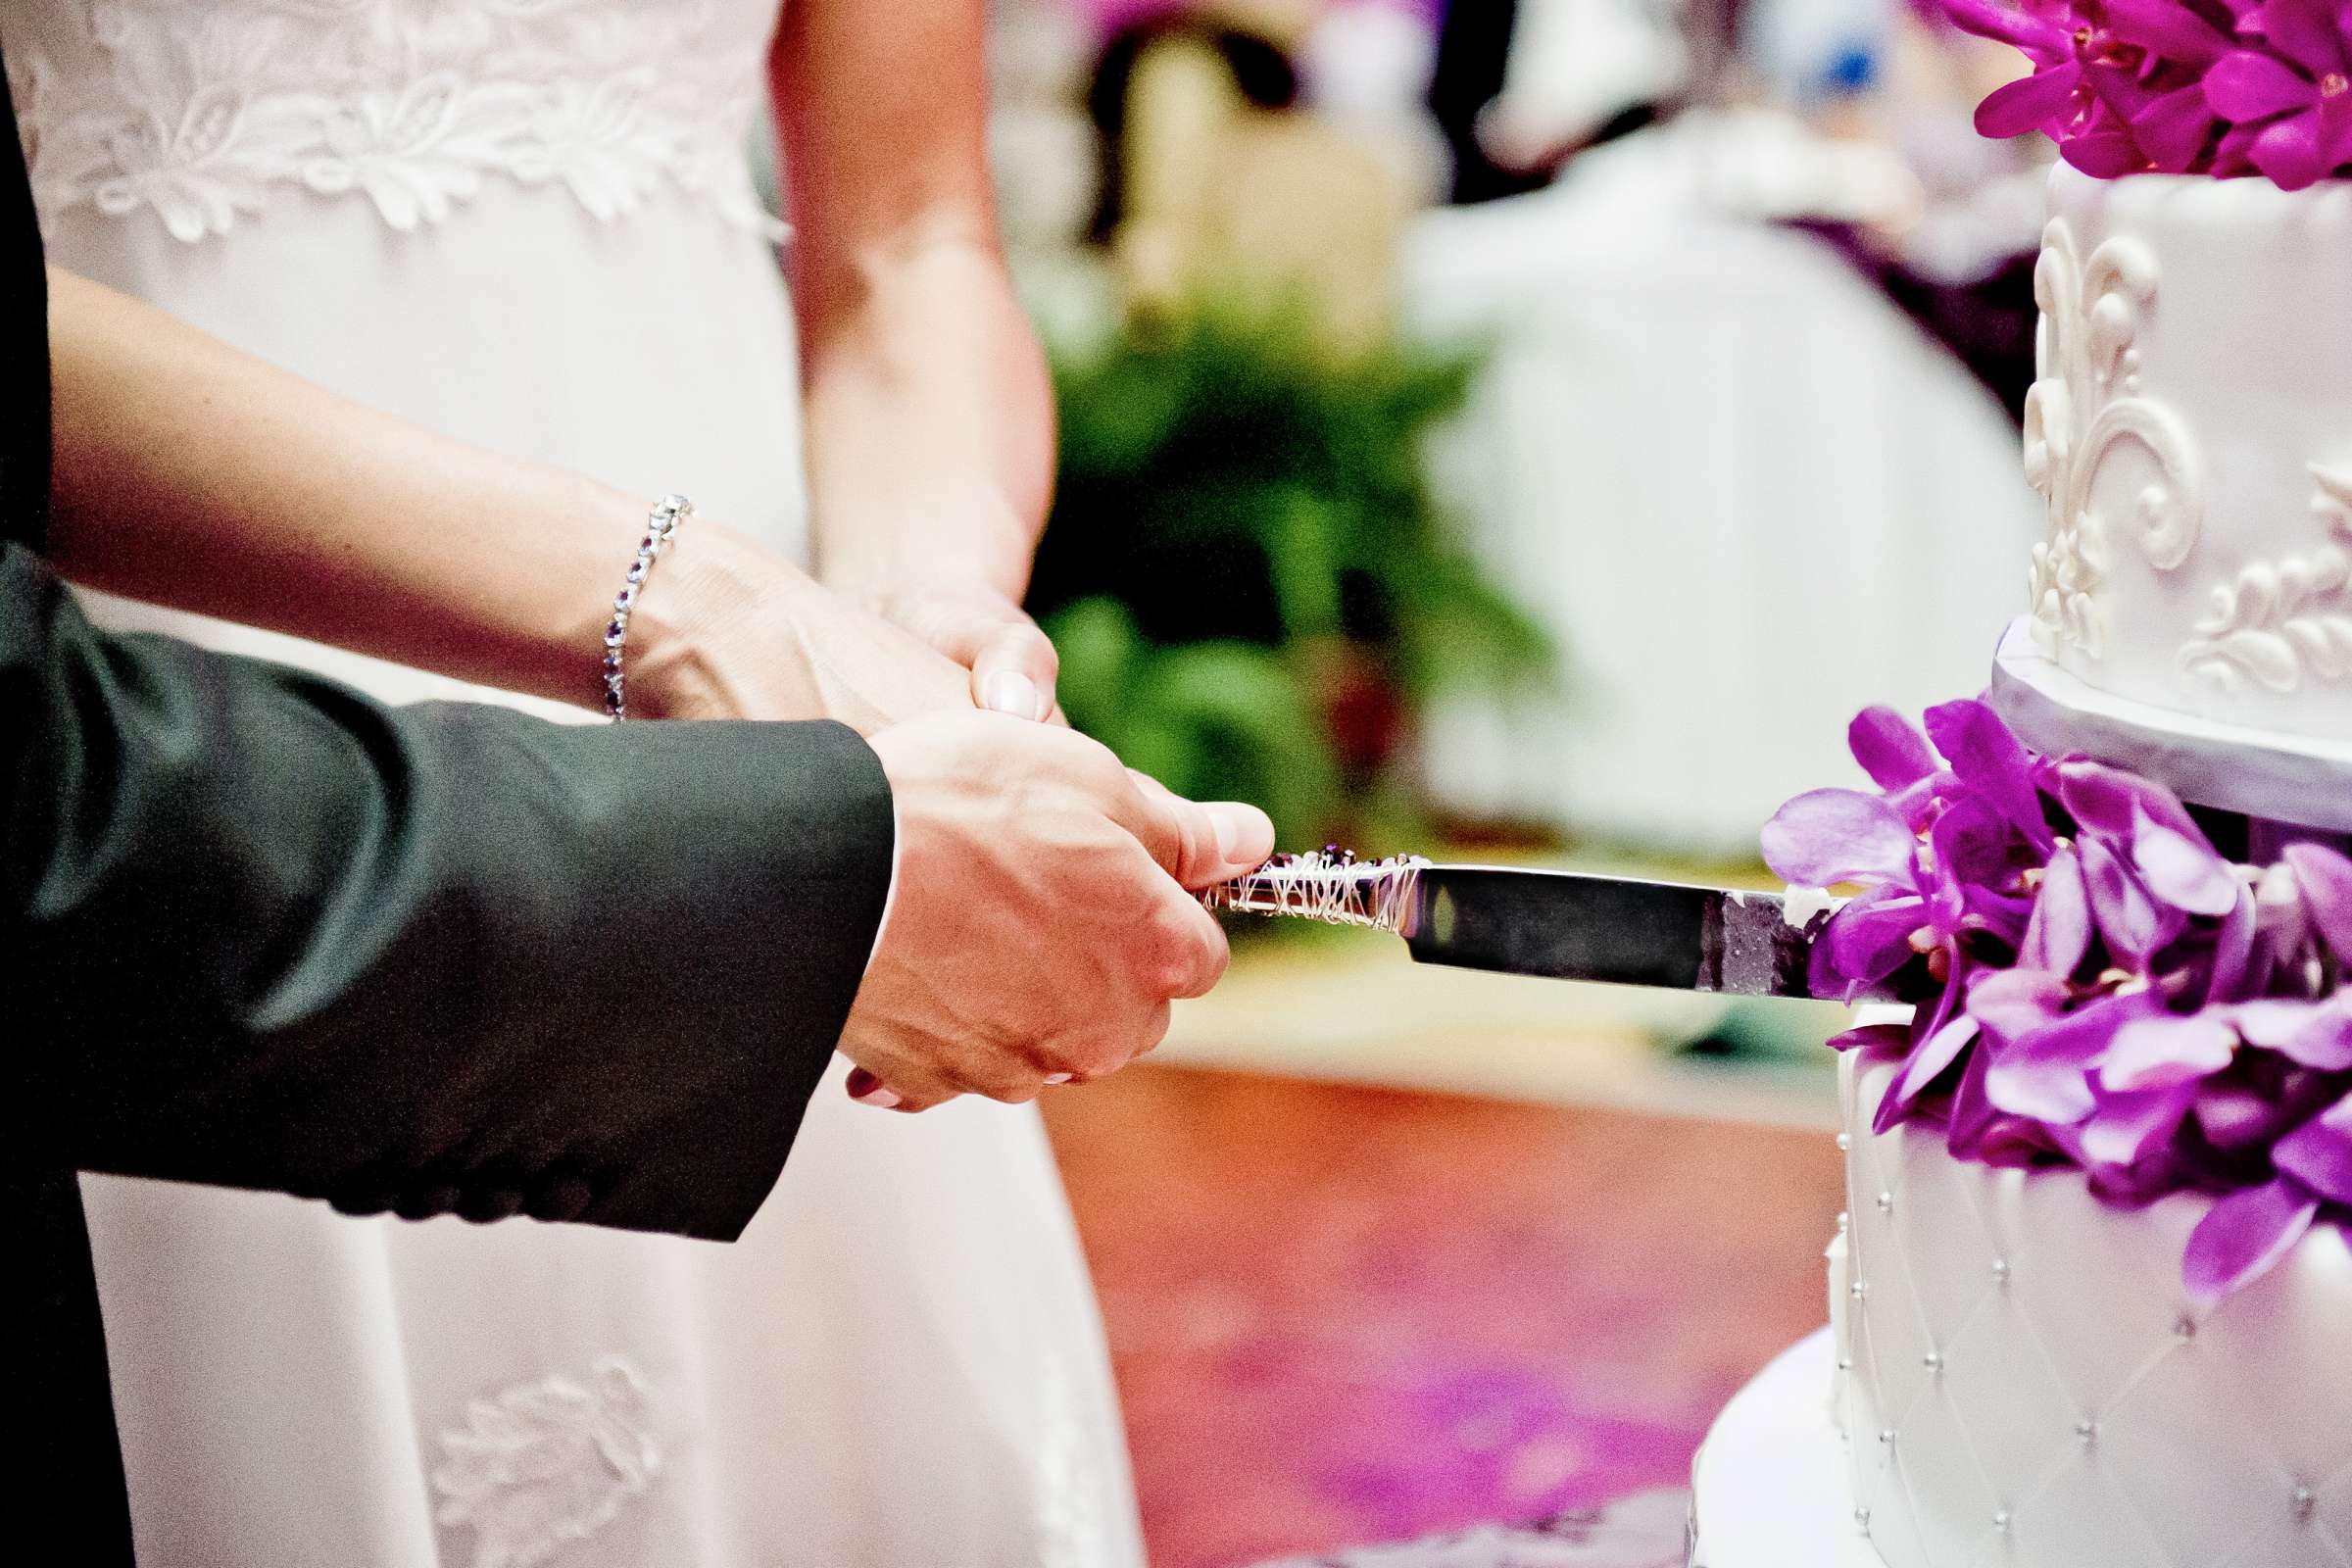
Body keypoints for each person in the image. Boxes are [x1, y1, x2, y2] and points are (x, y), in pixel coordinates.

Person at [1, 3, 1270, 1560]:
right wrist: (670, 603)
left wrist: (927, 614)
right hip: (221, 710)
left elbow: (913, 236)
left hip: (788, 726)